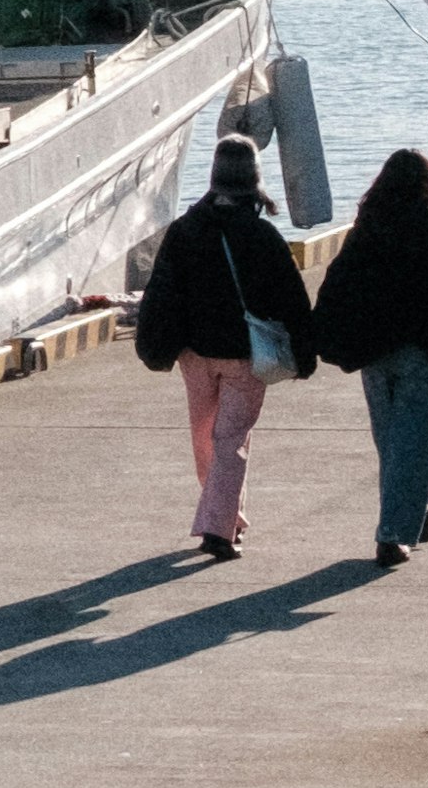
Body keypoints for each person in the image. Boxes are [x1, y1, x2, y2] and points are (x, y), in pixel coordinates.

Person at [131, 134, 322, 561]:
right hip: (245, 355)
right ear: (254, 181)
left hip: (194, 354)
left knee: (205, 436)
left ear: (214, 178)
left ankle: (223, 516)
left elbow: (161, 293)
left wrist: (155, 346)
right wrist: (305, 353)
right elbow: (292, 299)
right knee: (231, 438)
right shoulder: (263, 236)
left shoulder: (183, 231)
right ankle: (219, 528)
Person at [314, 144, 428, 567]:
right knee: (415, 440)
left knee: (391, 440)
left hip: (373, 352)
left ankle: (416, 509)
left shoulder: (366, 232)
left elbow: (337, 287)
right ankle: (393, 534)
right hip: (423, 352)